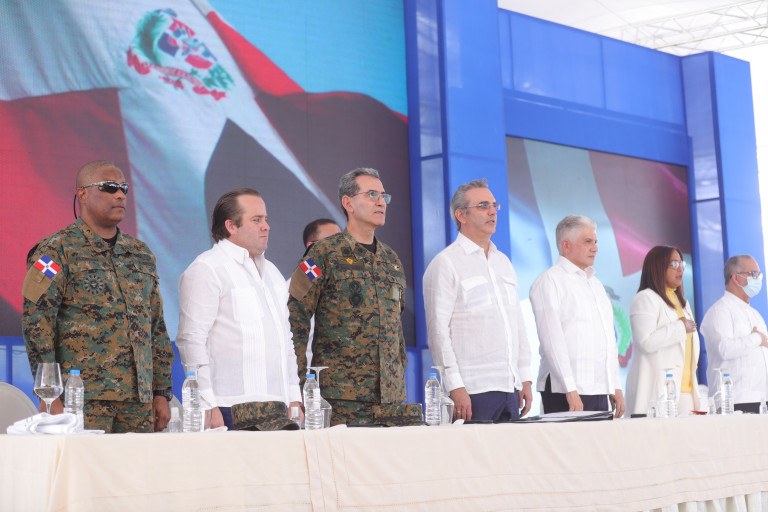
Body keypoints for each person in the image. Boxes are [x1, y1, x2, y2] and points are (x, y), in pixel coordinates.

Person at [21, 160, 174, 433]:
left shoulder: (141, 254)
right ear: (82, 194)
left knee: (138, 463)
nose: (120, 195)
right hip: (80, 398)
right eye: (109, 187)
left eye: (123, 188)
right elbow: (37, 323)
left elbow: (156, 325)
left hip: (138, 401)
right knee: (82, 463)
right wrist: (49, 394)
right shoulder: (54, 251)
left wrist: (161, 391)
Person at [288, 168, 408, 425]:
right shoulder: (322, 254)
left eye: (384, 196)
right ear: (348, 203)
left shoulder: (392, 261)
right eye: (372, 194)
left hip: (391, 399)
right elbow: (295, 320)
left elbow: (396, 328)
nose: (381, 202)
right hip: (341, 399)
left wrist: (398, 376)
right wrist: (298, 386)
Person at [176, 189, 303, 430]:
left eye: (266, 219)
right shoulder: (207, 268)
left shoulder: (273, 274)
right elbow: (191, 339)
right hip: (228, 407)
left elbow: (285, 340)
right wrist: (206, 403)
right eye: (256, 220)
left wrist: (293, 396)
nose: (266, 226)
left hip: (278, 407)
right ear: (231, 226)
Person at [423, 179, 532, 421]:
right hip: (472, 390)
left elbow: (517, 324)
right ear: (461, 215)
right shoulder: (446, 263)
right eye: (483, 206)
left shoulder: (503, 262)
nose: (492, 211)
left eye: (494, 205)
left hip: (511, 387)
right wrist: (455, 386)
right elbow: (438, 332)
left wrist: (524, 376)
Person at [529, 215, 625, 417]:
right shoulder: (549, 281)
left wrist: (615, 385)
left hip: (598, 388)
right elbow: (552, 340)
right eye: (588, 241)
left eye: (596, 242)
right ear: (566, 245)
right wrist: (569, 389)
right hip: (563, 390)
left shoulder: (596, 285)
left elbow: (609, 339)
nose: (595, 248)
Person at [625, 246, 700, 416]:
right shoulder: (645, 298)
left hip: (686, 393)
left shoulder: (682, 303)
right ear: (657, 267)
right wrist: (680, 327)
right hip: (658, 393)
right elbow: (645, 342)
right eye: (674, 264)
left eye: (681, 263)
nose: (680, 269)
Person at [700, 255, 768, 413]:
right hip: (734, 402)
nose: (758, 280)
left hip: (761, 400)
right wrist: (756, 338)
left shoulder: (756, 315)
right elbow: (724, 349)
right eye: (754, 274)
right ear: (736, 278)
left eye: (759, 275)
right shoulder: (719, 311)